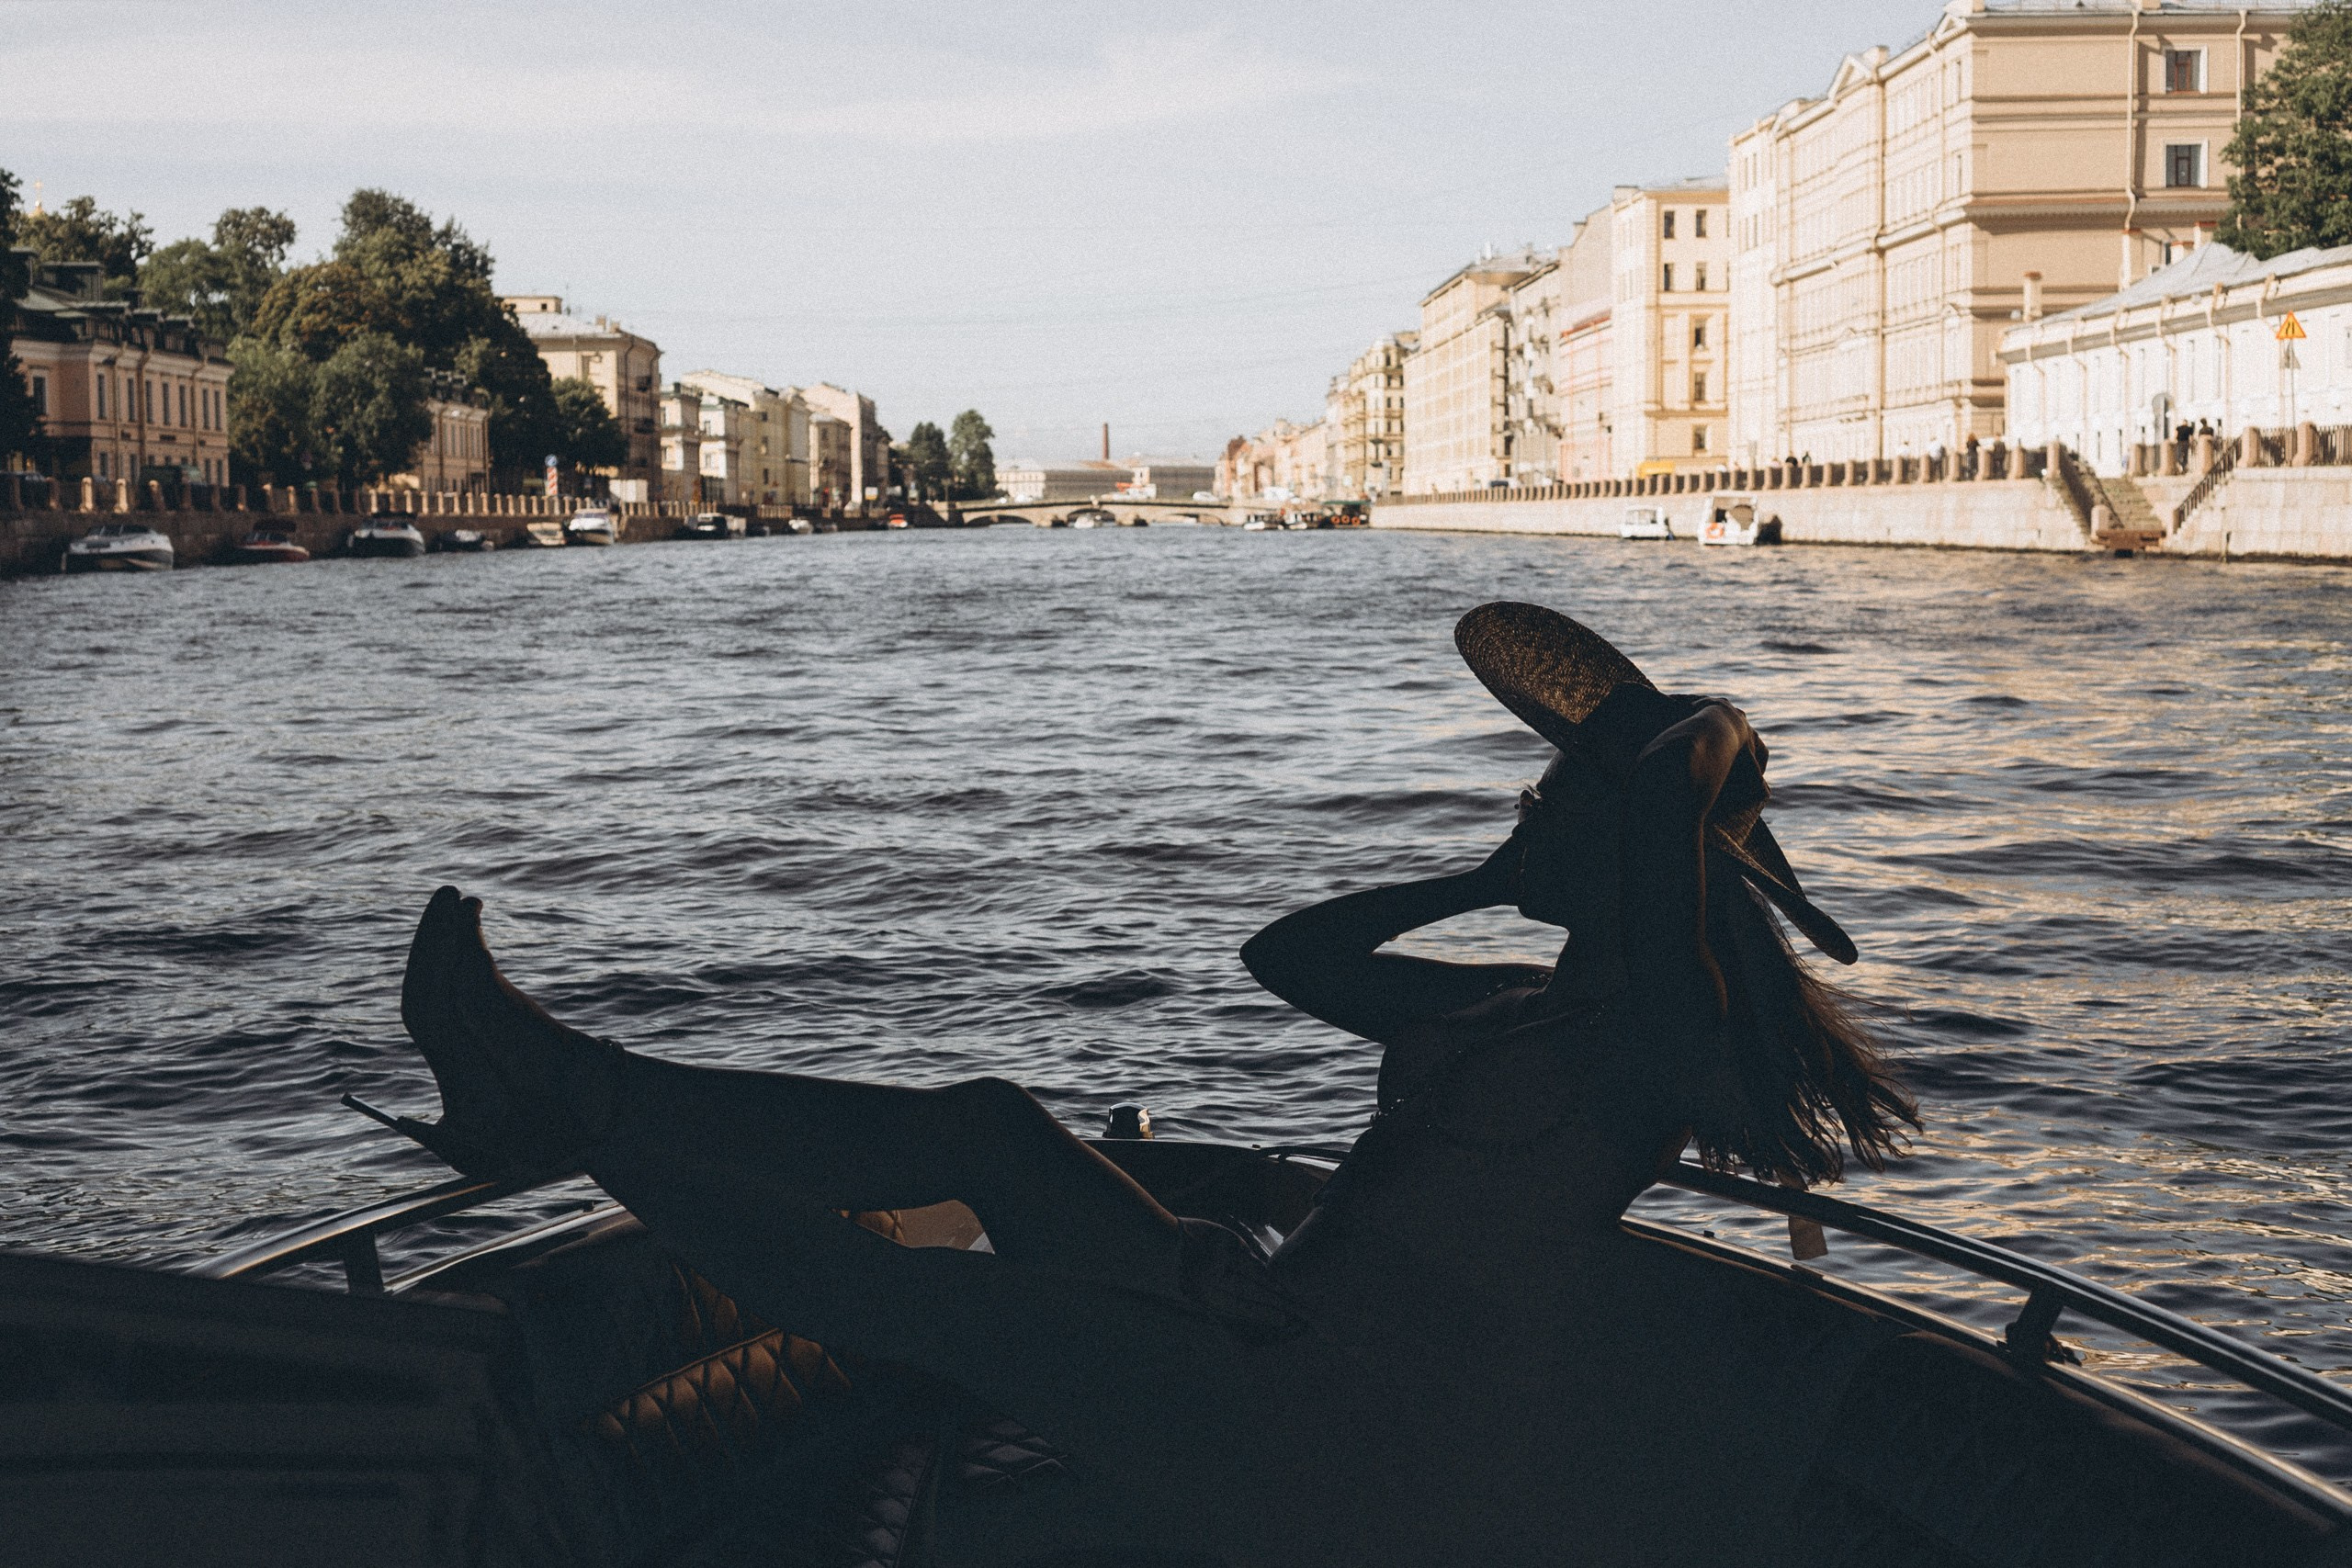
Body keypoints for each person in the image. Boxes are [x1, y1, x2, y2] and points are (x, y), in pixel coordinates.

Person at [385, 602, 1916, 1565]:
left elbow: (1667, 808)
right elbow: (1285, 956)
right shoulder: (1512, 1005)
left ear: (1643, 841)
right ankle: (579, 1086)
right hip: (1262, 1306)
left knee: (926, 1303)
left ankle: (562, 1111)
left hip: (1333, 1421)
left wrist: (1697, 737)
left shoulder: (1659, 1025)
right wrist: (1479, 874)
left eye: (1552, 791)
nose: (1527, 798)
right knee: (990, 1124)